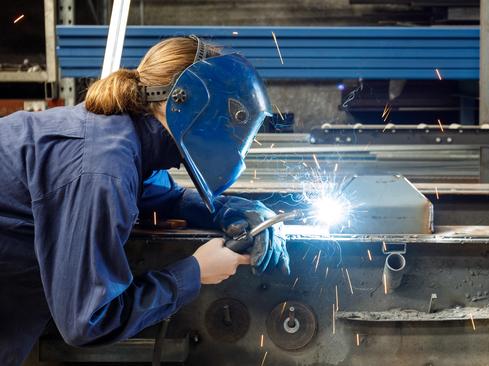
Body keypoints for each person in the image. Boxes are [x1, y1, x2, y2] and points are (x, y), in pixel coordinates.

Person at [0, 35, 290, 365]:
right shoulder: (104, 167)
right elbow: (87, 321)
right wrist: (196, 272)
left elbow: (160, 195)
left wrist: (228, 210)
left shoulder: (117, 137)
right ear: (183, 100)